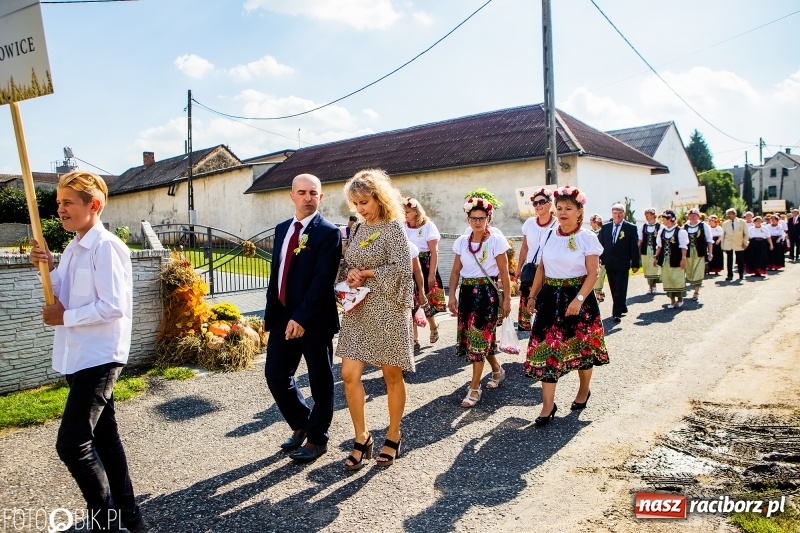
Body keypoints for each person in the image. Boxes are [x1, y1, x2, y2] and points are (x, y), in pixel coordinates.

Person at [28, 171, 147, 533]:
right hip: (79, 356)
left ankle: (105, 522)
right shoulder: (74, 246)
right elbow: (60, 293)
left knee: (72, 443)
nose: (60, 209)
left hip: (100, 357)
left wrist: (66, 316)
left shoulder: (106, 246)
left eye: (68, 202)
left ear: (93, 205)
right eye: (59, 202)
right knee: (105, 439)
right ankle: (130, 518)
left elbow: (114, 306)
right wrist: (45, 266)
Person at [337, 169, 414, 470]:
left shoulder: (394, 228)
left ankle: (393, 434)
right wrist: (352, 274)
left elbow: (403, 270)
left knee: (391, 377)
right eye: (355, 203)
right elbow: (347, 263)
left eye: (364, 202)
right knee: (348, 375)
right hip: (359, 310)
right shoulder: (357, 228)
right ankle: (362, 436)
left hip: (388, 310)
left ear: (379, 198)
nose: (360, 209)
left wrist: (368, 273)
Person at [263, 174, 342, 464]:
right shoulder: (283, 229)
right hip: (283, 316)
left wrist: (302, 317)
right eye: (302, 192)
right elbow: (278, 273)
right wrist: (272, 313)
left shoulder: (328, 232)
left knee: (320, 381)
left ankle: (317, 439)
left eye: (313, 193)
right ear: (292, 196)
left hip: (314, 320)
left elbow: (322, 281)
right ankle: (303, 423)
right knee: (276, 375)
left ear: (321, 198)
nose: (308, 197)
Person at [524, 186, 607, 427]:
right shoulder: (549, 234)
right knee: (547, 349)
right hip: (550, 298)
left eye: (569, 208)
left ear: (580, 211)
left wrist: (579, 299)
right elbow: (541, 268)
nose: (562, 212)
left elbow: (593, 273)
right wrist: (532, 296)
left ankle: (584, 390)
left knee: (582, 349)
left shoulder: (587, 237)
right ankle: (548, 405)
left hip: (578, 297)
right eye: (559, 208)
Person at [448, 197, 512, 408]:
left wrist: (507, 301)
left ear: (488, 219)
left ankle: (474, 388)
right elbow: (456, 271)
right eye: (473, 218)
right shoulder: (462, 242)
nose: (477, 222)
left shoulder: (496, 240)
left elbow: (504, 272)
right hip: (467, 293)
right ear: (468, 219)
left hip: (487, 294)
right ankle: (497, 370)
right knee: (479, 340)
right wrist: (451, 296)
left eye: (481, 218)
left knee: (478, 339)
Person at [403, 197, 443, 345]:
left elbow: (434, 252)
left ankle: (433, 327)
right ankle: (414, 339)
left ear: (415, 211)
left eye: (407, 211)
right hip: (409, 265)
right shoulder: (402, 226)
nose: (404, 214)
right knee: (410, 302)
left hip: (425, 265)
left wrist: (432, 274)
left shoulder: (428, 226)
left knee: (424, 300)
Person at [517, 187, 557, 331]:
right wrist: (518, 268)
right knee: (529, 296)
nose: (538, 205)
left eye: (542, 201)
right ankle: (528, 324)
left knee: (547, 299)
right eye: (535, 203)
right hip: (531, 267)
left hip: (550, 269)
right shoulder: (529, 223)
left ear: (550, 203)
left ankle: (545, 324)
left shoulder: (558, 224)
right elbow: (524, 248)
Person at [597, 203, 641, 323]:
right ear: (612, 214)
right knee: (613, 287)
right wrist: (599, 260)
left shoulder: (630, 228)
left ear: (624, 214)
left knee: (620, 288)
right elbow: (600, 245)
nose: (617, 216)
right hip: (609, 262)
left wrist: (635, 263)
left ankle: (616, 313)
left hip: (623, 262)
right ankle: (621, 306)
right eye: (615, 213)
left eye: (620, 213)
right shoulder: (605, 228)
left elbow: (634, 247)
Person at [654, 210, 688, 309]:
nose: (663, 220)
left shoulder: (680, 231)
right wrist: (656, 257)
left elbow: (683, 247)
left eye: (665, 218)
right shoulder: (662, 231)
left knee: (677, 278)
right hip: (665, 260)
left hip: (676, 258)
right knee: (668, 279)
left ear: (671, 219)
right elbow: (659, 246)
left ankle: (680, 299)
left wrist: (683, 258)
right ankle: (672, 300)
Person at [683, 208, 713, 300]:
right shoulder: (685, 226)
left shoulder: (704, 226)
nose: (692, 217)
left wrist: (710, 252)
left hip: (699, 252)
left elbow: (709, 240)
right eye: (690, 215)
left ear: (698, 216)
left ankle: (696, 292)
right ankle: (686, 289)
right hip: (688, 253)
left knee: (698, 272)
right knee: (689, 272)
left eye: (694, 215)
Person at [637, 208, 661, 294]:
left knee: (654, 268)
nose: (646, 216)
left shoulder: (660, 226)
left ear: (653, 215)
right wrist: (636, 248)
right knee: (647, 268)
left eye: (648, 214)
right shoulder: (643, 227)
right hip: (645, 251)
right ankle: (650, 286)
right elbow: (640, 239)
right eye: (645, 215)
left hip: (655, 251)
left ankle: (653, 286)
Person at [721, 208, 749, 281]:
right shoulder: (725, 223)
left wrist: (745, 242)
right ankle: (729, 275)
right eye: (727, 214)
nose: (728, 216)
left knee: (740, 259)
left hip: (739, 243)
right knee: (729, 260)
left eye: (730, 214)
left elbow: (746, 233)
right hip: (728, 243)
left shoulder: (742, 222)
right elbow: (723, 235)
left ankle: (741, 273)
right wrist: (723, 245)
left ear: (734, 214)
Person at [589, 214, 606, 302]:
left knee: (600, 276)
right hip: (591, 258)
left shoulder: (603, 232)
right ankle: (596, 294)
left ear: (595, 223)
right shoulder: (589, 233)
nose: (590, 224)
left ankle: (599, 293)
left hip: (601, 258)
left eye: (591, 222)